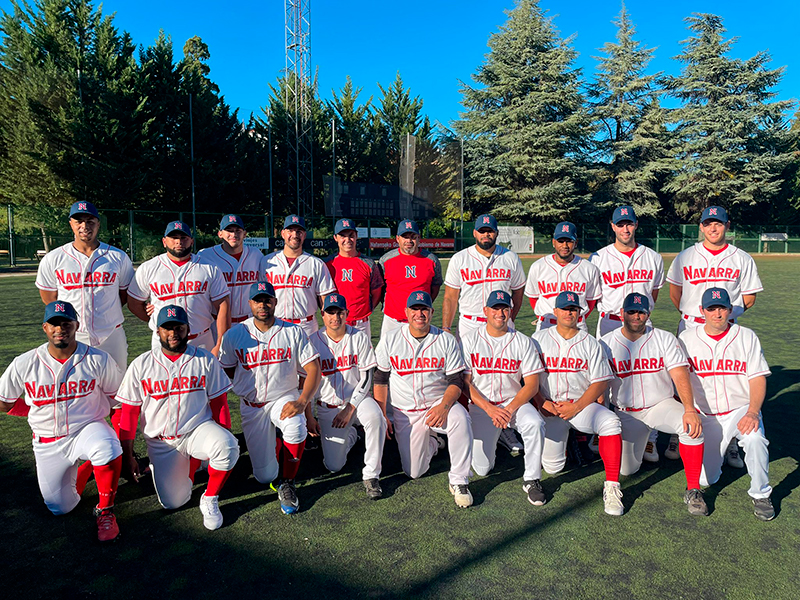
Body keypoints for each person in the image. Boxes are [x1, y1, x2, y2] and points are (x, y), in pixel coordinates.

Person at [0, 301, 124, 541]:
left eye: (66, 323)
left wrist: (122, 444)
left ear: (76, 326)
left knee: (107, 447)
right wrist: (32, 410)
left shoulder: (98, 359)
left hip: (86, 429)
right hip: (48, 441)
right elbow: (3, 401)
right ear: (45, 327)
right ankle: (87, 468)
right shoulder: (25, 363)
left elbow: (117, 400)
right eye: (55, 324)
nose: (61, 329)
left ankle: (106, 510)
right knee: (60, 507)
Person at [116, 305, 239, 530]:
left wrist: (224, 433)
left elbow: (219, 403)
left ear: (188, 329)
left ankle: (210, 497)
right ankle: (182, 465)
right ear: (158, 331)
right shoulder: (141, 364)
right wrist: (128, 455)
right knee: (174, 502)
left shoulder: (204, 359)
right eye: (167, 328)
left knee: (228, 447)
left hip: (196, 430)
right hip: (162, 442)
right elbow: (129, 413)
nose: (173, 333)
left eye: (178, 327)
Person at [666, 205, 763, 467]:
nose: (713, 228)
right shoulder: (686, 256)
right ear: (701, 226)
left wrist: (724, 316)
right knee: (683, 378)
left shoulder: (741, 258)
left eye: (718, 223)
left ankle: (732, 438)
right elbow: (676, 292)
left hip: (726, 327)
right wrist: (694, 315)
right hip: (690, 325)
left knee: (729, 380)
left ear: (727, 226)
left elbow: (750, 296)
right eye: (708, 223)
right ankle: (680, 431)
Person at [218, 282, 321, 515]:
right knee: (265, 476)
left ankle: (288, 481)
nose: (262, 304)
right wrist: (243, 385)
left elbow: (313, 368)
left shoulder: (292, 331)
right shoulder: (235, 334)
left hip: (283, 397)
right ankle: (276, 443)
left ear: (275, 302)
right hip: (252, 406)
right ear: (250, 304)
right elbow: (227, 369)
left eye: (267, 300)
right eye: (257, 300)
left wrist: (303, 401)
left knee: (296, 429)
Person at [600, 293, 707, 516]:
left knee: (691, 428)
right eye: (631, 311)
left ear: (648, 314)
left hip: (661, 406)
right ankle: (646, 439)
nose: (636, 316)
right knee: (627, 470)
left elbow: (680, 375)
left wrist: (689, 409)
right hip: (627, 413)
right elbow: (600, 385)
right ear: (622, 314)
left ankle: (694, 489)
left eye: (641, 312)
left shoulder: (664, 338)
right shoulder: (606, 343)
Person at [679, 288, 774, 520]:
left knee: (755, 438)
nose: (717, 313)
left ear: (730, 310)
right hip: (706, 415)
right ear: (702, 311)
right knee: (705, 479)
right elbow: (680, 379)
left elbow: (757, 377)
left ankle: (761, 494)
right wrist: (689, 410)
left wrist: (753, 412)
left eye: (722, 308)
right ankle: (723, 451)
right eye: (711, 308)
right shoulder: (687, 339)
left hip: (739, 410)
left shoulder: (746, 336)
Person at [374, 291, 474, 508]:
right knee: (414, 472)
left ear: (431, 312)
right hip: (406, 412)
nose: (419, 314)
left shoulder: (445, 339)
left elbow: (456, 381)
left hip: (438, 404)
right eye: (414, 309)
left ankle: (459, 480)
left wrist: (445, 406)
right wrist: (382, 414)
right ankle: (435, 441)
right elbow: (380, 379)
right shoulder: (391, 339)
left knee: (461, 418)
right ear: (406, 312)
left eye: (424, 309)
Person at [531, 291, 623, 515]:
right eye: (564, 308)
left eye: (573, 309)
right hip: (549, 408)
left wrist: (578, 406)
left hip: (580, 406)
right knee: (553, 468)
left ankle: (612, 487)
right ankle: (570, 440)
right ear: (555, 312)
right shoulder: (538, 340)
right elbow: (526, 379)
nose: (569, 312)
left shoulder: (590, 343)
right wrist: (542, 402)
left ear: (580, 313)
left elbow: (600, 382)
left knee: (611, 422)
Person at [589, 205, 666, 463]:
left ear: (636, 225)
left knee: (649, 377)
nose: (625, 228)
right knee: (605, 379)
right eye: (620, 224)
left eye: (629, 223)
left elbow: (653, 294)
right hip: (610, 322)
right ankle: (603, 430)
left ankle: (650, 439)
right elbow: (593, 295)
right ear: (612, 226)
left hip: (642, 323)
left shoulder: (652, 257)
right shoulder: (598, 258)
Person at [462, 290, 547, 505]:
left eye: (504, 308)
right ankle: (498, 436)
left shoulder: (522, 341)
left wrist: (508, 410)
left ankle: (532, 479)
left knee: (535, 423)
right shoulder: (469, 340)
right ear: (486, 311)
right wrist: (490, 410)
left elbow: (532, 385)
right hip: (483, 406)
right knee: (483, 469)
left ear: (510, 311)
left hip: (514, 403)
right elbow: (465, 383)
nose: (500, 313)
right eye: (495, 308)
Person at [35, 201, 133, 371]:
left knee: (117, 389)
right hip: (73, 335)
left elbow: (124, 294)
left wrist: (106, 312)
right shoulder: (54, 258)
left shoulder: (117, 256)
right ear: (71, 224)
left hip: (111, 334)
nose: (84, 226)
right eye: (78, 221)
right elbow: (49, 298)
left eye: (90, 221)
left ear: (98, 224)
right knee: (76, 388)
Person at [307, 294, 386, 498]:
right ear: (322, 315)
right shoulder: (312, 341)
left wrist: (350, 408)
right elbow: (304, 383)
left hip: (358, 401)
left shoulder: (358, 336)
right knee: (334, 465)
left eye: (340, 312)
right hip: (329, 407)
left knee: (376, 418)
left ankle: (371, 475)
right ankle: (353, 435)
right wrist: (309, 416)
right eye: (330, 312)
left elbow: (368, 376)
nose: (335, 317)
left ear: (347, 314)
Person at [127, 220, 230, 355]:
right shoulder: (148, 268)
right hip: (162, 342)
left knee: (204, 376)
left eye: (183, 238)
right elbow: (134, 303)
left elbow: (223, 304)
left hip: (201, 340)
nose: (178, 242)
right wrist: (155, 319)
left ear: (191, 241)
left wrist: (220, 343)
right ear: (164, 242)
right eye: (174, 237)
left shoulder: (209, 268)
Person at [442, 214, 526, 338]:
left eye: (490, 231)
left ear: (496, 233)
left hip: (502, 323)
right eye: (482, 231)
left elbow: (518, 293)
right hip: (469, 324)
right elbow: (450, 297)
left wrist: (509, 318)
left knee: (505, 358)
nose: (486, 234)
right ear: (474, 233)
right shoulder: (460, 258)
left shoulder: (510, 258)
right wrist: (446, 327)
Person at [260, 215, 337, 337]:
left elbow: (325, 301)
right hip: (275, 324)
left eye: (299, 231)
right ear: (283, 233)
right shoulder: (266, 262)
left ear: (304, 235)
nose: (295, 235)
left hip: (307, 326)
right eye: (290, 230)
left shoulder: (316, 263)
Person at [524, 222, 602, 332]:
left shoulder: (589, 268)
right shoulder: (538, 266)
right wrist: (542, 317)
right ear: (554, 242)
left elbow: (590, 300)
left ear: (576, 243)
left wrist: (576, 319)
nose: (564, 246)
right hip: (546, 325)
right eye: (560, 241)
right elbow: (533, 297)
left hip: (577, 326)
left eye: (569, 241)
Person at [197, 214, 265, 329]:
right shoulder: (205, 256)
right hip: (216, 322)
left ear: (245, 234)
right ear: (220, 234)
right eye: (229, 230)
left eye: (238, 230)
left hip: (249, 321)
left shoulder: (256, 254)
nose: (234, 234)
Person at [378, 220, 444, 337]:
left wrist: (422, 305)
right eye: (405, 237)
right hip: (393, 320)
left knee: (421, 354)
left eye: (413, 237)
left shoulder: (431, 260)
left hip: (420, 321)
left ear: (419, 238)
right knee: (388, 354)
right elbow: (380, 288)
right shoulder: (386, 260)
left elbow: (435, 286)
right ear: (398, 239)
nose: (409, 241)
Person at [324, 218, 384, 337]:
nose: (347, 240)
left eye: (351, 235)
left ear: (356, 236)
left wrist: (368, 310)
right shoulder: (327, 264)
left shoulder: (368, 263)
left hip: (360, 324)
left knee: (363, 356)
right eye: (342, 236)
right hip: (335, 323)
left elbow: (377, 292)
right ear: (335, 238)